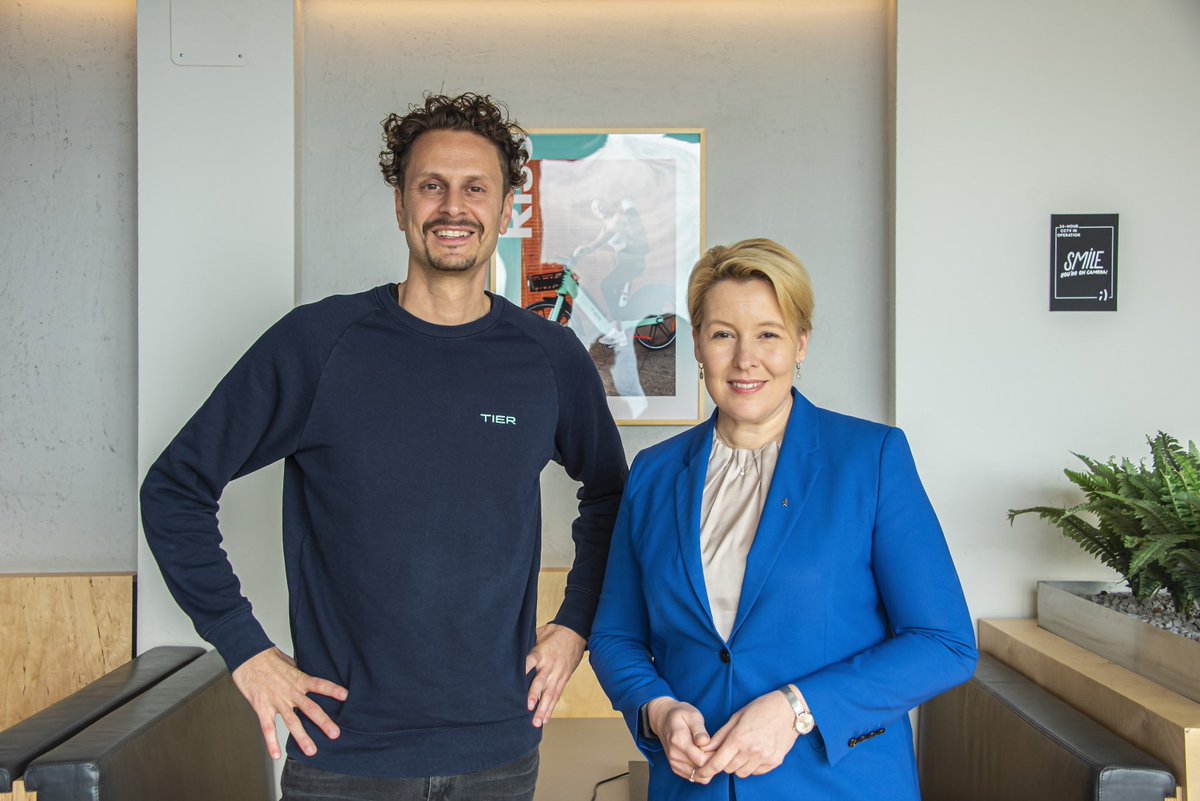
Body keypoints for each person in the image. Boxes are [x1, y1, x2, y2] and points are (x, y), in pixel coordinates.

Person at [140, 93, 628, 800]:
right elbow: (175, 487)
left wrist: (577, 622)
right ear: (400, 204)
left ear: (506, 207)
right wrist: (245, 649)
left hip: (498, 746)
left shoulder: (548, 358)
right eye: (431, 185)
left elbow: (613, 493)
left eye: (474, 188)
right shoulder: (318, 346)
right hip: (343, 753)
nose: (452, 206)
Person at [588, 238, 976, 800]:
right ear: (697, 345)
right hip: (693, 788)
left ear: (801, 344)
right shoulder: (653, 473)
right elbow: (616, 636)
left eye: (768, 334)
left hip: (836, 786)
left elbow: (945, 644)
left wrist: (798, 708)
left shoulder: (871, 459)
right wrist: (657, 708)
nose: (746, 359)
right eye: (723, 334)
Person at [571, 197, 650, 347]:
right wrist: (582, 252)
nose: (598, 209)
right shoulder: (604, 224)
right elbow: (603, 242)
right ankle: (618, 325)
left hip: (633, 261)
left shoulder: (617, 218)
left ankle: (618, 331)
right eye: (595, 209)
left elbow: (603, 239)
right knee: (616, 293)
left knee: (606, 285)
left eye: (600, 205)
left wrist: (586, 248)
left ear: (606, 204)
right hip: (624, 261)